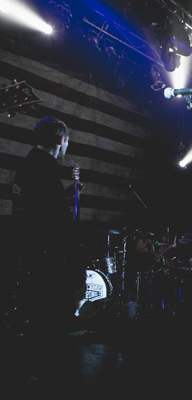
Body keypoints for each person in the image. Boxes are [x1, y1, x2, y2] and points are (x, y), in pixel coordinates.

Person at [12, 116, 85, 331]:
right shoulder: (46, 166)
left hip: (28, 243)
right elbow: (55, 216)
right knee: (49, 319)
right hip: (46, 250)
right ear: (61, 140)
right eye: (67, 141)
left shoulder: (29, 163)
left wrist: (66, 194)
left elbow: (42, 203)